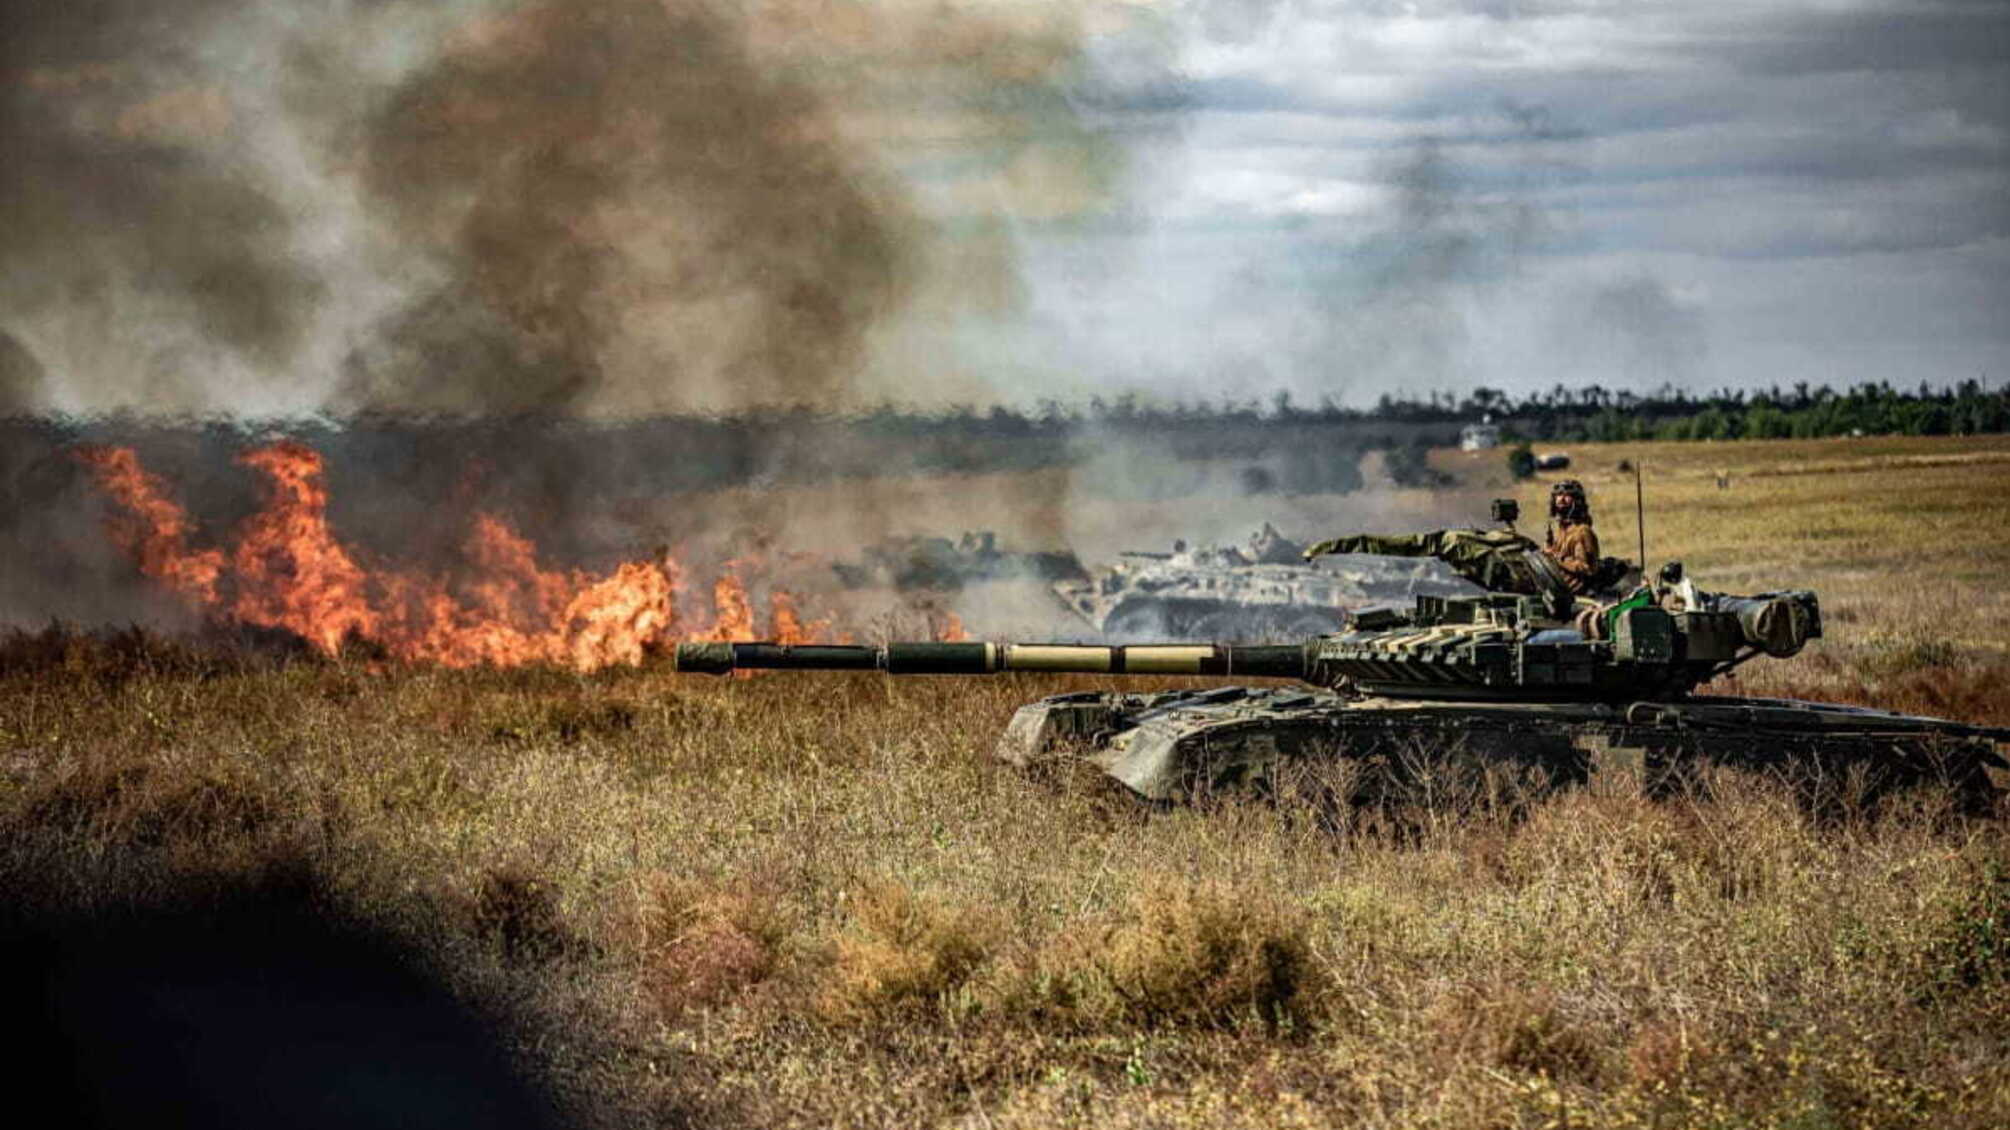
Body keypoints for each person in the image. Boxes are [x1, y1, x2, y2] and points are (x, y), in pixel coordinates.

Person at [1542, 480, 1600, 596]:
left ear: (1577, 501)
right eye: (1558, 495)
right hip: (1553, 586)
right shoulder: (1560, 530)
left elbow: (1586, 568)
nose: (1561, 499)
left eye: (1567, 495)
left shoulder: (1582, 532)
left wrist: (1556, 558)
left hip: (1571, 593)